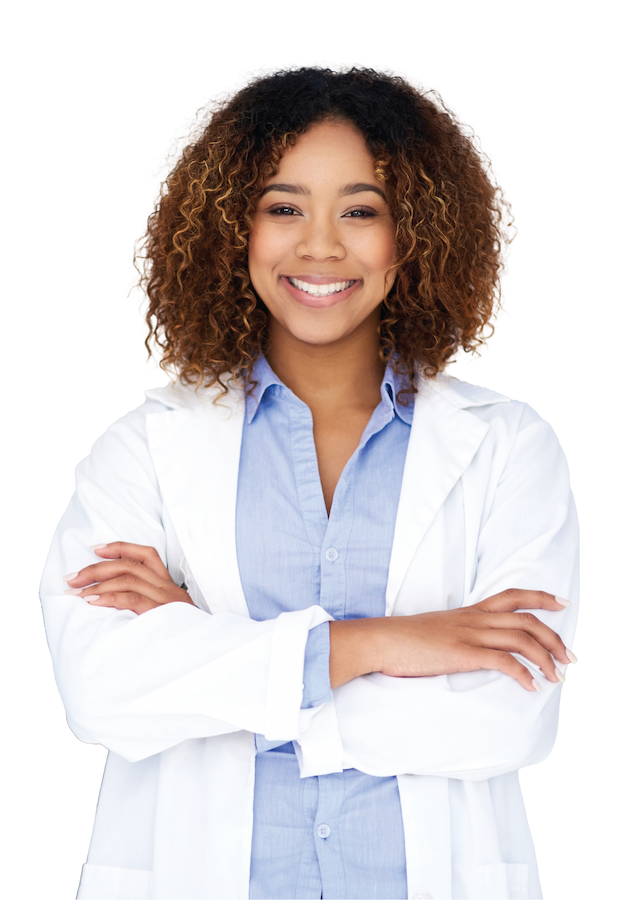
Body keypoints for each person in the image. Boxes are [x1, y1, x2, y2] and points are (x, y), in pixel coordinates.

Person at [40, 62, 579, 900]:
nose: (320, 245)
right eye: (282, 207)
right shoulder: (144, 448)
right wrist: (380, 644)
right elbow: (103, 693)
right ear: (232, 229)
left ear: (417, 233)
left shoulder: (509, 447)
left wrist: (211, 659)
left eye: (361, 211)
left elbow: (504, 716)